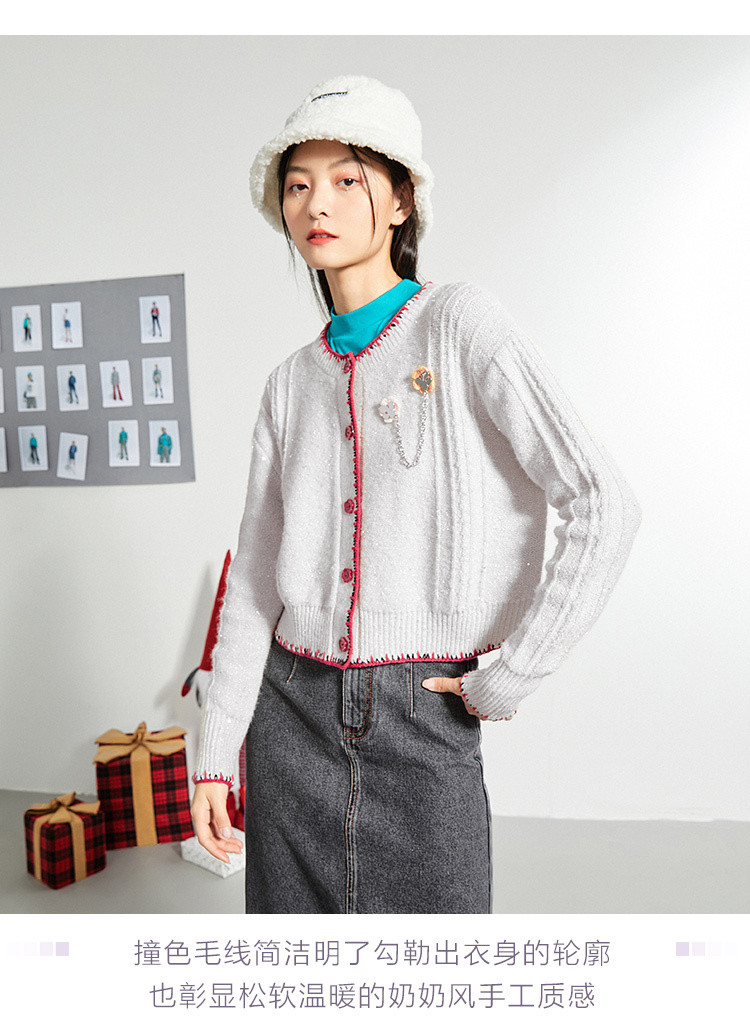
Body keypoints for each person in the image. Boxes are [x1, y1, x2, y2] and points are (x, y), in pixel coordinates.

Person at [190, 76, 641, 915]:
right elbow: (252, 580)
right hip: (288, 719)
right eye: (298, 184)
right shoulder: (288, 385)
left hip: (422, 720)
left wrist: (512, 673)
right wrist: (217, 750)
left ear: (401, 201)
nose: (317, 202)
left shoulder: (461, 325)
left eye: (347, 178)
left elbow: (603, 499)